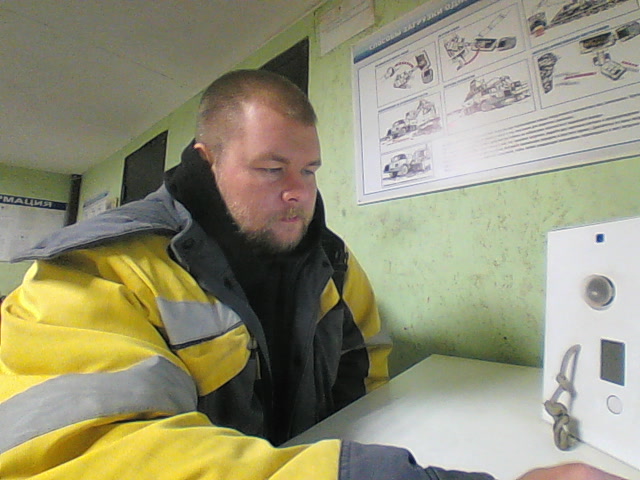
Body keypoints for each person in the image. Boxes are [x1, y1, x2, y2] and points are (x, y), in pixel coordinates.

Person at [0, 69, 626, 480]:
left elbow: (370, 379)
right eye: (271, 169)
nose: (298, 192)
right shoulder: (95, 272)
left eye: (310, 170)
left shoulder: (334, 264)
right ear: (207, 160)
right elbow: (89, 456)